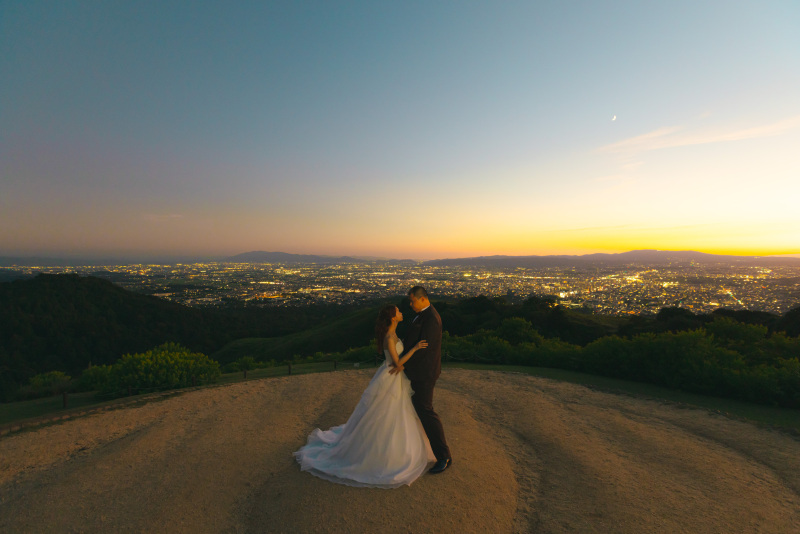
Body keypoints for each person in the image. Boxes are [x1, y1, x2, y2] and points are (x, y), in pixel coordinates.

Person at [293, 304, 435, 488]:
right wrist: (415, 349)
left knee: (392, 413)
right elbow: (397, 364)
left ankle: (392, 450)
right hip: (391, 377)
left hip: (392, 378)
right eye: (398, 311)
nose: (401, 313)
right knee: (385, 413)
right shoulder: (390, 337)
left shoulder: (393, 334)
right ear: (393, 317)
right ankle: (382, 454)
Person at [396, 286, 452, 474]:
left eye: (412, 301)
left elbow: (425, 352)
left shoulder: (431, 319)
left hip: (424, 374)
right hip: (418, 372)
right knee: (417, 409)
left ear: (422, 299)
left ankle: (443, 456)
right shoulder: (422, 315)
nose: (410, 305)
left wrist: (403, 366)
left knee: (426, 411)